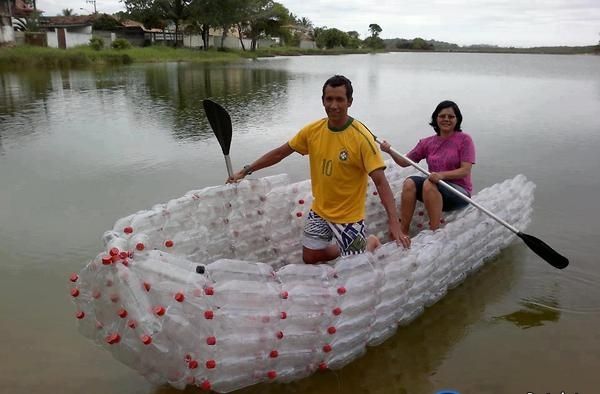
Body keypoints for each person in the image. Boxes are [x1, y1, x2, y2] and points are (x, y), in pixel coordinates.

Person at [227, 75, 408, 264]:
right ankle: (347, 247)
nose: (334, 105)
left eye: (340, 99)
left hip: (349, 217)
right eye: (329, 99)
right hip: (320, 211)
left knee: (355, 268)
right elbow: (280, 153)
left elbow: (380, 181)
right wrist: (246, 170)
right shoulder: (313, 131)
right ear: (323, 100)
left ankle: (368, 243)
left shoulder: (361, 138)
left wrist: (394, 223)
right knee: (310, 257)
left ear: (350, 102)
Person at [380, 100, 475, 237]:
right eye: (442, 116)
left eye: (451, 116)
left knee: (429, 183)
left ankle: (434, 232)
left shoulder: (465, 140)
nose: (446, 119)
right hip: (434, 187)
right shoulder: (427, 142)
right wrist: (389, 151)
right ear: (436, 118)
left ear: (457, 119)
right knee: (409, 182)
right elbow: (404, 162)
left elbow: (465, 170)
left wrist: (442, 175)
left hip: (459, 193)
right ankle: (403, 231)